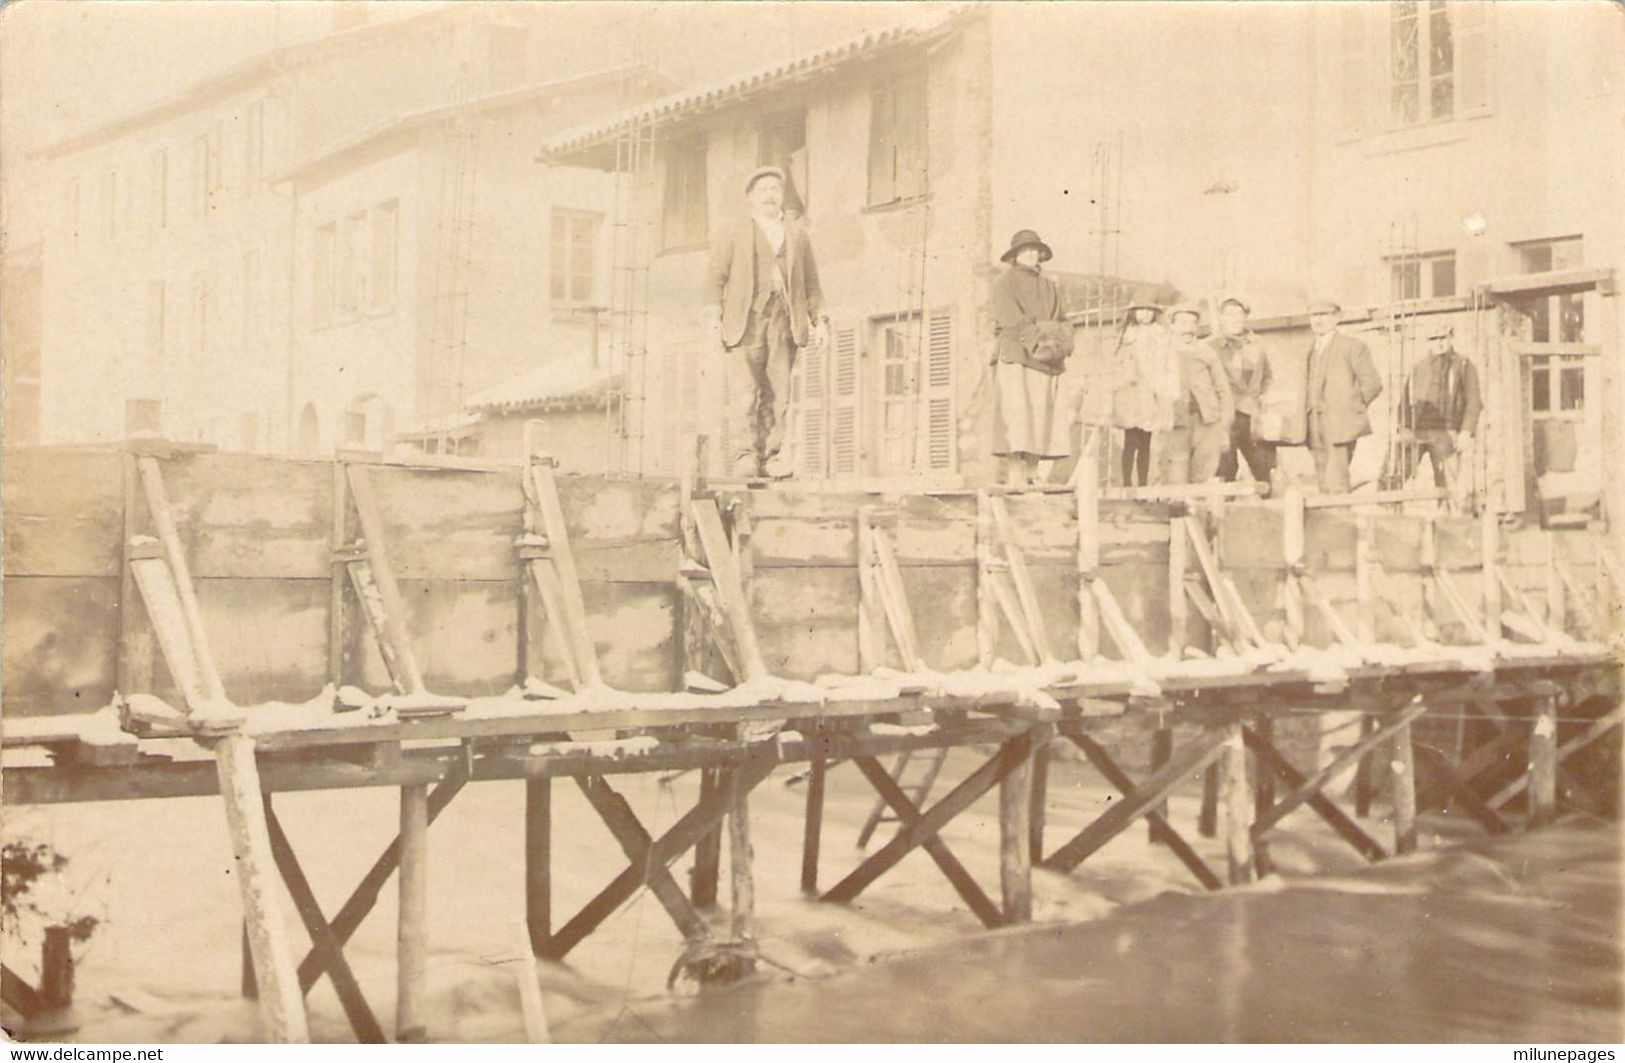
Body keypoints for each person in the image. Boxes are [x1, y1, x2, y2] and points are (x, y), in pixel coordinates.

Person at [703, 166, 828, 479]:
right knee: (745, 393)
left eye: (775, 189)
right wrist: (713, 316)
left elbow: (812, 284)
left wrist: (820, 321)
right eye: (763, 190)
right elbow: (715, 278)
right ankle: (745, 458)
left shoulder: (798, 234)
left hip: (783, 320)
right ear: (750, 198)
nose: (770, 195)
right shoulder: (732, 232)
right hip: (745, 322)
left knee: (778, 395)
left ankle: (771, 458)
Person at [990, 229, 1071, 485]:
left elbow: (1061, 319)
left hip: (1045, 359)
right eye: (1024, 250)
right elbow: (1010, 318)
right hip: (1017, 352)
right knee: (1017, 413)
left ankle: (1033, 472)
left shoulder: (1050, 287)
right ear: (1015, 256)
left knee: (1039, 412)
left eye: (1034, 250)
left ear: (1041, 255)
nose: (1030, 254)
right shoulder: (1004, 283)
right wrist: (1037, 340)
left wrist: (1057, 343)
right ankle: (1015, 472)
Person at [1304, 297, 1383, 494]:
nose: (1318, 320)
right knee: (1323, 482)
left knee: (1337, 481)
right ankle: (1328, 522)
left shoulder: (1352, 346)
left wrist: (1350, 409)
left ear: (1337, 318)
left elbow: (1373, 384)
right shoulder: (1311, 349)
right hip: (1314, 423)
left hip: (1339, 424)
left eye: (1324, 314)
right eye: (1314, 315)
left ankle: (1340, 521)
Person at [1400, 321, 1482, 490]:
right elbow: (1404, 402)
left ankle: (1450, 514)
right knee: (1395, 471)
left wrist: (1466, 431)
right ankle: (1386, 512)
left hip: (1446, 431)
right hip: (1418, 430)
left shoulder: (1464, 365)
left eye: (1442, 337)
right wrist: (1405, 427)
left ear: (1451, 338)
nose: (1438, 342)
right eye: (1433, 338)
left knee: (1449, 483)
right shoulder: (1419, 367)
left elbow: (1474, 401)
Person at [1209, 295, 1277, 493]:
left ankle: (1269, 510)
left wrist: (1264, 396)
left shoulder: (1257, 344)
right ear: (1221, 317)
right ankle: (1221, 514)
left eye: (1240, 314)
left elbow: (1268, 376)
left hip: (1252, 415)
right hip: (1226, 416)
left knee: (1262, 465)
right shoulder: (1210, 346)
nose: (1235, 318)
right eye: (1230, 314)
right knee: (1226, 466)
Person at [1110, 289, 1177, 486]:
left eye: (1149, 311)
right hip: (1131, 392)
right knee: (1130, 440)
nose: (1144, 314)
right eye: (1140, 310)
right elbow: (1117, 363)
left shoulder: (1162, 336)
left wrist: (1168, 390)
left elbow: (1170, 364)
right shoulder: (1126, 335)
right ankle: (1126, 484)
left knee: (1146, 441)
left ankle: (1142, 483)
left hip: (1152, 392)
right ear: (1133, 313)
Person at [1162, 302, 1233, 485]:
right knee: (1177, 473)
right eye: (1183, 323)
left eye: (1192, 324)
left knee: (1204, 471)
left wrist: (1224, 423)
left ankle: (1199, 511)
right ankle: (1180, 511)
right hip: (1174, 421)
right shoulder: (1162, 353)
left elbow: (1222, 390)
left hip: (1207, 420)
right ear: (1172, 326)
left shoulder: (1207, 352)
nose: (1188, 329)